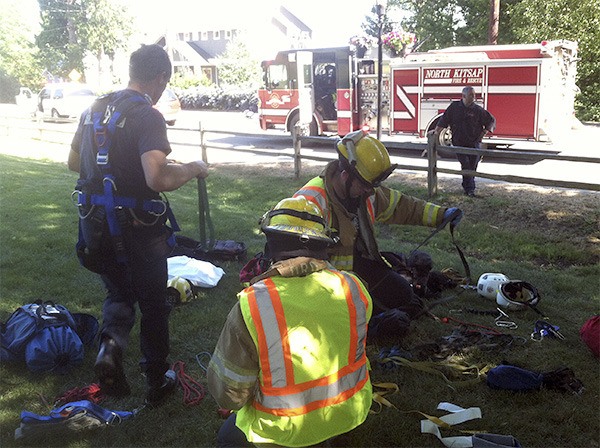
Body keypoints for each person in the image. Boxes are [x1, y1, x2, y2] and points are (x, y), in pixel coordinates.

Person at [68, 44, 209, 407]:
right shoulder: (147, 116)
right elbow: (158, 176)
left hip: (94, 227)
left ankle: (109, 353)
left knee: (118, 293)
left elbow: (73, 163)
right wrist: (193, 167)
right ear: (161, 77)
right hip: (137, 229)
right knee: (153, 303)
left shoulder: (93, 109)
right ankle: (157, 378)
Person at [208, 196, 373, 447]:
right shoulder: (353, 287)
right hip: (346, 413)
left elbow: (230, 395)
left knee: (227, 437)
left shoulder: (252, 306)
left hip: (281, 433)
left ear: (271, 244)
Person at [292, 130, 463, 325]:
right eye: (366, 185)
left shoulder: (364, 192)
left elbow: (402, 206)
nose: (370, 191)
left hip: (357, 271)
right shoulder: (310, 203)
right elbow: (299, 267)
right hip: (326, 287)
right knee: (371, 313)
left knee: (406, 297)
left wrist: (442, 214)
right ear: (346, 175)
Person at [434, 86, 496, 197]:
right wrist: (435, 132)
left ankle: (467, 187)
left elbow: (491, 120)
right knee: (465, 164)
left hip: (474, 143)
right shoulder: (454, 107)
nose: (474, 97)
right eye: (471, 95)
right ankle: (470, 190)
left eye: (474, 95)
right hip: (459, 142)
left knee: (472, 166)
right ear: (463, 96)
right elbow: (444, 120)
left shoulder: (478, 110)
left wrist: (484, 132)